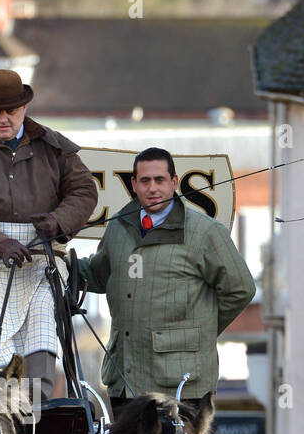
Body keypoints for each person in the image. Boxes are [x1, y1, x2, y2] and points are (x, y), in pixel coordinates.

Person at [0, 69, 98, 404]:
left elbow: (84, 192)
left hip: (42, 255)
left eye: (10, 110)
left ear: (24, 108)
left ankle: (35, 401)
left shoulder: (54, 148)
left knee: (43, 312)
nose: (3, 118)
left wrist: (57, 221)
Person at [76, 146, 256, 413]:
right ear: (134, 185)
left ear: (174, 182)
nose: (153, 188)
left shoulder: (205, 232)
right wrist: (60, 263)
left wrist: (198, 334)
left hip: (182, 383)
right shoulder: (117, 227)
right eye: (145, 181)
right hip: (125, 380)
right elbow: (100, 275)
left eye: (160, 180)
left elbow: (241, 289)